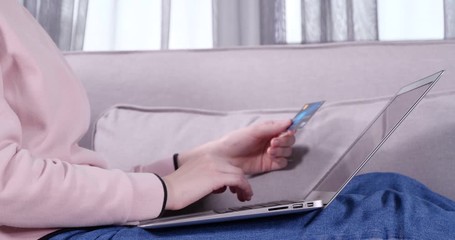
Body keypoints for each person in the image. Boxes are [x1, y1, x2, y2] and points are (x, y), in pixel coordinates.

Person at [1, 1, 455, 239]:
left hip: (77, 226)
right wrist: (163, 191)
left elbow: (52, 169)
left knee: (383, 190)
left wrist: (191, 164)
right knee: (393, 216)